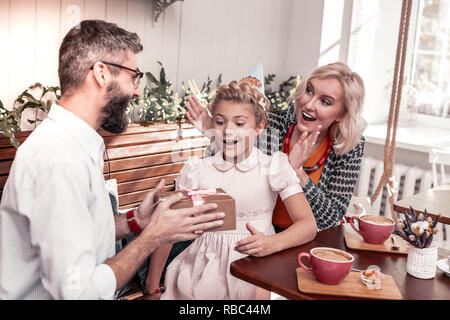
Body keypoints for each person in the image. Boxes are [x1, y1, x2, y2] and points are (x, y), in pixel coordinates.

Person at [0, 19, 224, 300]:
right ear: (102, 74)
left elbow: (77, 230)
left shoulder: (72, 146)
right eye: (134, 76)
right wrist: (152, 236)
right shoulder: (59, 160)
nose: (138, 90)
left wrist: (135, 221)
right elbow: (78, 294)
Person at [145, 80, 317, 300]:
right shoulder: (196, 170)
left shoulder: (274, 166)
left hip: (256, 267)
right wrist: (151, 288)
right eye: (220, 121)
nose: (227, 130)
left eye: (239, 123)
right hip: (202, 267)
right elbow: (168, 232)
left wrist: (271, 243)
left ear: (259, 126)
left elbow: (308, 225)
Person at [186, 61, 367, 232]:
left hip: (307, 240)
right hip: (254, 231)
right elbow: (222, 182)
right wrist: (218, 137)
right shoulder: (270, 124)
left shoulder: (350, 147)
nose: (308, 104)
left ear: (341, 115)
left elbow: (331, 218)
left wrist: (296, 172)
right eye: (309, 91)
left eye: (325, 101)